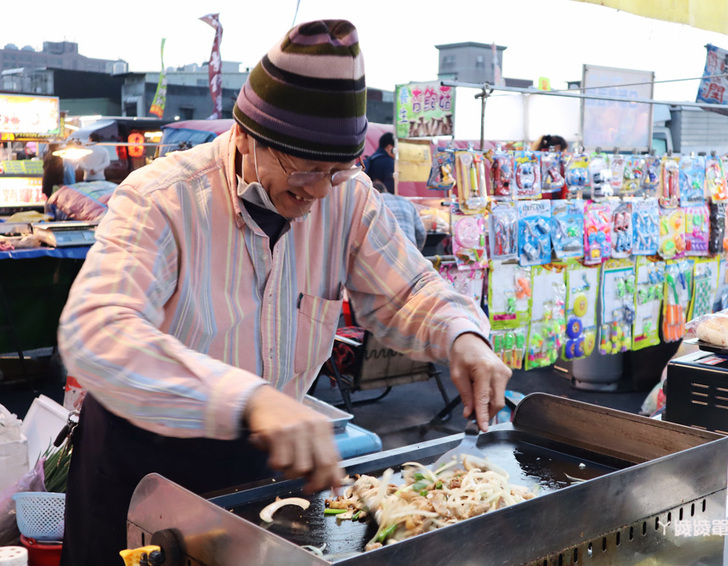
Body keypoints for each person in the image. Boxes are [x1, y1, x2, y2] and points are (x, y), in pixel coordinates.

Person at [57, 19, 511, 566]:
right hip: (142, 463)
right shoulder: (163, 199)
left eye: (336, 171)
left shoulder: (349, 198)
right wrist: (248, 398)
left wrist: (462, 333)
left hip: (266, 460)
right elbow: (98, 329)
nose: (318, 193)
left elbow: (407, 289)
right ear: (246, 137)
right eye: (304, 169)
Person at [373, 180, 426, 250]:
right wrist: (417, 252)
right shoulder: (406, 201)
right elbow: (421, 232)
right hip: (410, 250)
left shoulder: (375, 201)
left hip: (388, 251)